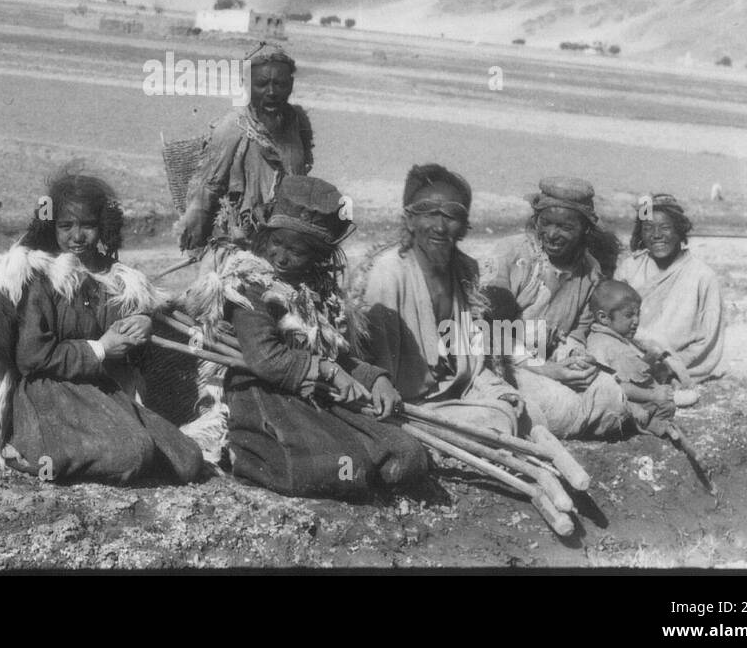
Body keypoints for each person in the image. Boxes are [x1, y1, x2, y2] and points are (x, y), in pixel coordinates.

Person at [0, 171, 203, 485]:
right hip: (48, 394)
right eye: (65, 226)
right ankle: (28, 450)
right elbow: (31, 357)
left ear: (103, 226)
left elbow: (124, 332)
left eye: (88, 225)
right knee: (134, 454)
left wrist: (142, 322)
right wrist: (100, 348)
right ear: (51, 226)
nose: (77, 236)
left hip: (99, 389)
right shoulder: (41, 278)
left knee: (188, 458)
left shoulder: (111, 276)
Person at [184, 175, 428, 498]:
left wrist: (377, 380)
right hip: (263, 398)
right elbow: (265, 357)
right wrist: (327, 371)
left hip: (313, 400)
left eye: (296, 252)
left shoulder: (314, 293)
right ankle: (252, 456)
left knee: (409, 454)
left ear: (317, 257)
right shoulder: (251, 285)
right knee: (342, 466)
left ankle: (362, 467)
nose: (282, 257)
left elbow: (337, 355)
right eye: (278, 244)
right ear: (265, 237)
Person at [354, 164, 525, 436]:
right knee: (498, 421)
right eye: (429, 213)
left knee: (516, 409)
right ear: (409, 219)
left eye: (452, 215)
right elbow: (378, 366)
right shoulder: (389, 273)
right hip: (406, 404)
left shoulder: (465, 272)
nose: (440, 226)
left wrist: (498, 389)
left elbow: (470, 359)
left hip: (452, 393)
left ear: (465, 225)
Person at [480, 177, 628, 439]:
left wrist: (574, 361)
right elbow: (486, 334)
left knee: (612, 395)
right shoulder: (512, 253)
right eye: (545, 223)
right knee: (564, 408)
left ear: (584, 229)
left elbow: (576, 333)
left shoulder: (589, 270)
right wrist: (547, 371)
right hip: (501, 363)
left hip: (546, 361)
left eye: (565, 227)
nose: (551, 234)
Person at [177, 46, 313, 251]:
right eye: (261, 84)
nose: (272, 93)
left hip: (286, 241)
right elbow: (206, 190)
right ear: (246, 85)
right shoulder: (232, 127)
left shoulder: (297, 122)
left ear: (291, 85)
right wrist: (195, 240)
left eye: (280, 84)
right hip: (240, 242)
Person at [614, 193, 724, 383]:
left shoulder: (703, 276)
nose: (656, 235)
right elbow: (612, 319)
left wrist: (671, 365)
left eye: (665, 227)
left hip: (676, 362)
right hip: (627, 353)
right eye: (648, 228)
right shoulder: (630, 268)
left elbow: (709, 337)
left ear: (680, 231)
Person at [585, 281, 678, 431]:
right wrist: (653, 395)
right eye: (629, 315)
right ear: (604, 318)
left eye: (638, 314)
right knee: (665, 403)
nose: (636, 321)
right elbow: (618, 386)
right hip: (609, 404)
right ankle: (653, 424)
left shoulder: (599, 337)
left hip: (606, 399)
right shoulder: (613, 347)